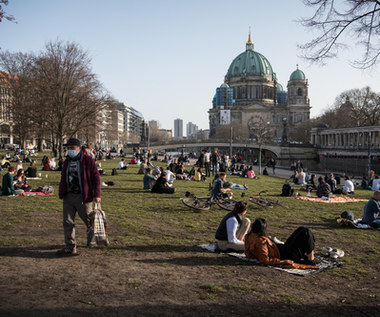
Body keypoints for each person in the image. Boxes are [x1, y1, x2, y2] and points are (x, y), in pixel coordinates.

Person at [57, 138, 101, 256]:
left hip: (83, 197)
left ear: (79, 148)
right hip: (68, 196)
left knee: (89, 220)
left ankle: (92, 240)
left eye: (72, 148)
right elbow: (63, 177)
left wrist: (97, 194)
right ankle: (70, 246)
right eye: (68, 148)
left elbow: (96, 178)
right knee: (67, 221)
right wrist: (62, 190)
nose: (70, 150)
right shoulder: (67, 161)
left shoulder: (88, 160)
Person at [245, 218, 318, 269]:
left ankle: (309, 254)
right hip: (286, 254)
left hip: (282, 249)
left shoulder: (250, 236)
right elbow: (265, 260)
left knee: (301, 229)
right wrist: (282, 261)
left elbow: (248, 253)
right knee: (305, 232)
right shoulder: (261, 242)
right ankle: (311, 258)